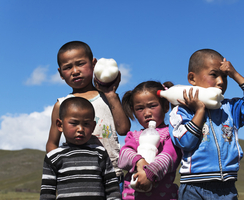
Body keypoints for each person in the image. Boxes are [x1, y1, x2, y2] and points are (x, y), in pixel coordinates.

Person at [169, 49, 244, 200]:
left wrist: (235, 74)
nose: (221, 81)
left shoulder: (230, 109)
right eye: (214, 75)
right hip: (194, 187)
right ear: (192, 78)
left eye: (225, 76)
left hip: (226, 188)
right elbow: (186, 142)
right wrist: (199, 111)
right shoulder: (181, 112)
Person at [46, 41, 131, 190]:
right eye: (67, 67)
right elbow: (52, 143)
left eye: (80, 64)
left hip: (113, 175)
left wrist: (111, 95)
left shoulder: (107, 98)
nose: (75, 71)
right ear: (60, 73)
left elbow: (124, 129)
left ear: (94, 64)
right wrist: (60, 166)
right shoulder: (62, 105)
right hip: (79, 179)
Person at [40, 97, 121, 200]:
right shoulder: (53, 157)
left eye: (86, 124)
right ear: (60, 125)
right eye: (74, 123)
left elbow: (112, 189)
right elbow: (47, 194)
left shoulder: (100, 153)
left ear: (93, 126)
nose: (80, 129)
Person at [118, 81, 182, 200]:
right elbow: (123, 155)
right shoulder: (134, 136)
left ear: (166, 106)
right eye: (140, 108)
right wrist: (139, 161)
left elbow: (168, 157)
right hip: (132, 196)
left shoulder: (171, 134)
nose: (147, 113)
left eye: (152, 106)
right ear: (133, 111)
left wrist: (149, 174)